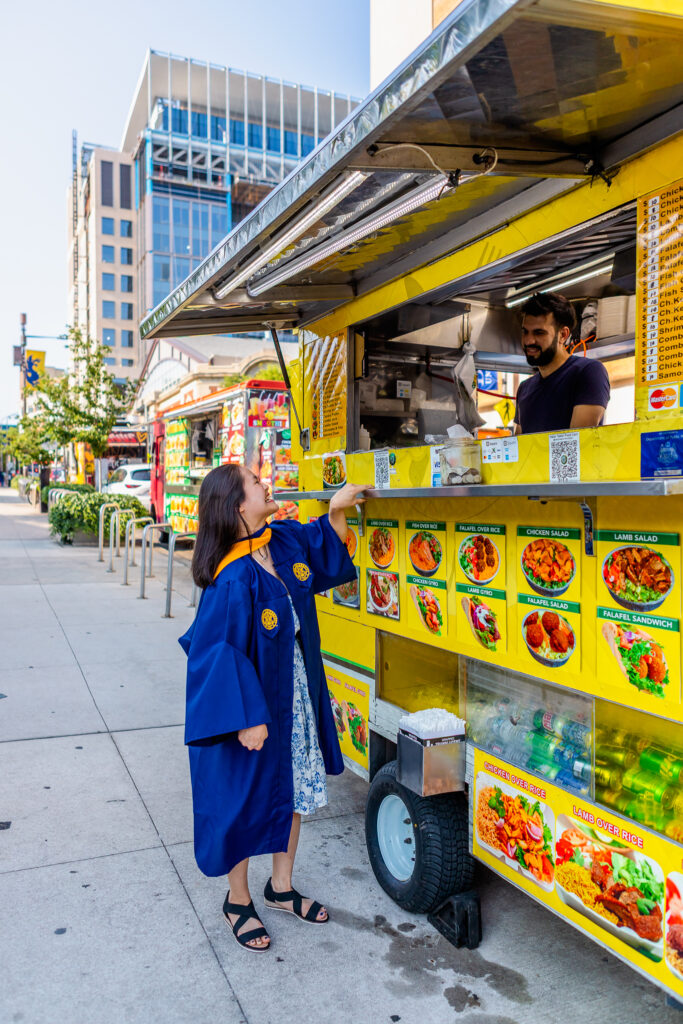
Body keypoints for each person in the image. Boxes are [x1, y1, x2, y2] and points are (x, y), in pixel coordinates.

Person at [179, 464, 366, 953]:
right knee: (241, 801)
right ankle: (237, 900)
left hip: (295, 695)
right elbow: (213, 653)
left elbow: (321, 545)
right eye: (255, 481)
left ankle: (280, 888)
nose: (266, 482)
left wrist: (337, 510)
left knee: (294, 791)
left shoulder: (279, 540)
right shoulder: (231, 578)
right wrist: (246, 716)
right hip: (251, 708)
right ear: (239, 506)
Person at [513, 292, 610, 435]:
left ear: (563, 335)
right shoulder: (524, 388)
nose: (529, 341)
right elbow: (520, 448)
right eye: (525, 332)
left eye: (539, 333)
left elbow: (577, 443)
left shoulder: (588, 372)